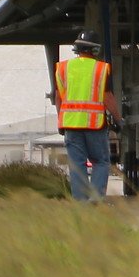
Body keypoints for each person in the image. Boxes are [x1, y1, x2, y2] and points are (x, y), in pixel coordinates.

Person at [55, 32, 120, 201]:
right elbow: (107, 97)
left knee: (77, 166)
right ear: (95, 49)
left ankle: (81, 204)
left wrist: (61, 120)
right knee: (101, 162)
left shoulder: (63, 68)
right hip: (95, 125)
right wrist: (119, 120)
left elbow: (58, 96)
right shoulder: (101, 68)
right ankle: (95, 200)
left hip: (71, 125)